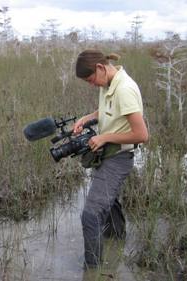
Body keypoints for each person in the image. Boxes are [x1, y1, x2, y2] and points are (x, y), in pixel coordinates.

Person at [73, 50, 148, 268]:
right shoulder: (109, 83)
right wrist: (88, 118)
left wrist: (104, 137)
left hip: (119, 157)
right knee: (108, 202)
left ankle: (92, 269)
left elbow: (142, 135)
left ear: (100, 68)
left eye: (90, 79)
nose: (91, 84)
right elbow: (108, 110)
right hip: (107, 155)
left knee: (91, 215)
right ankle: (117, 241)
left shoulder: (124, 89)